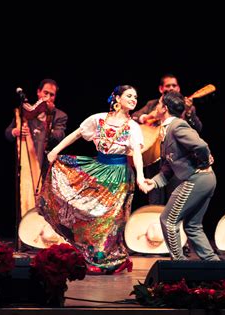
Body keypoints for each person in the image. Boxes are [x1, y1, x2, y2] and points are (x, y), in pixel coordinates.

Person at [39, 85, 147, 274]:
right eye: (129, 96)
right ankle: (96, 255)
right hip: (99, 169)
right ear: (117, 98)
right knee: (90, 211)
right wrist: (56, 151)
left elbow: (137, 153)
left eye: (136, 97)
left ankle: (104, 259)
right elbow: (77, 133)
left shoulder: (132, 127)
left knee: (110, 218)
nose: (133, 99)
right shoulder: (98, 119)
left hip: (118, 174)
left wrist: (141, 177)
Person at [143, 91, 219, 261]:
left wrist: (204, 161)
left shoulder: (177, 126)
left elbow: (201, 145)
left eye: (159, 104)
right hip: (204, 179)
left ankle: (179, 264)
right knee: (192, 226)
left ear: (164, 108)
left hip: (197, 179)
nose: (156, 107)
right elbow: (168, 169)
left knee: (168, 220)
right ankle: (215, 266)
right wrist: (153, 183)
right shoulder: (167, 129)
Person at [132, 74, 203, 206]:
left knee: (175, 199)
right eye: (167, 85)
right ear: (161, 88)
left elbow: (197, 129)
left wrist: (188, 113)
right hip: (153, 157)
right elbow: (134, 117)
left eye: (174, 85)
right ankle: (154, 225)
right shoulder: (153, 104)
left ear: (179, 88)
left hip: (176, 158)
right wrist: (146, 117)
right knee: (154, 200)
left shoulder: (187, 107)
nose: (171, 88)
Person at [5, 78, 68, 176]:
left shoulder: (60, 116)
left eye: (52, 95)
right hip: (25, 161)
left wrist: (47, 121)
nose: (48, 97)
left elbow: (59, 137)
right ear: (38, 92)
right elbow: (8, 133)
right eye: (45, 93)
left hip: (46, 166)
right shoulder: (26, 111)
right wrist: (15, 131)